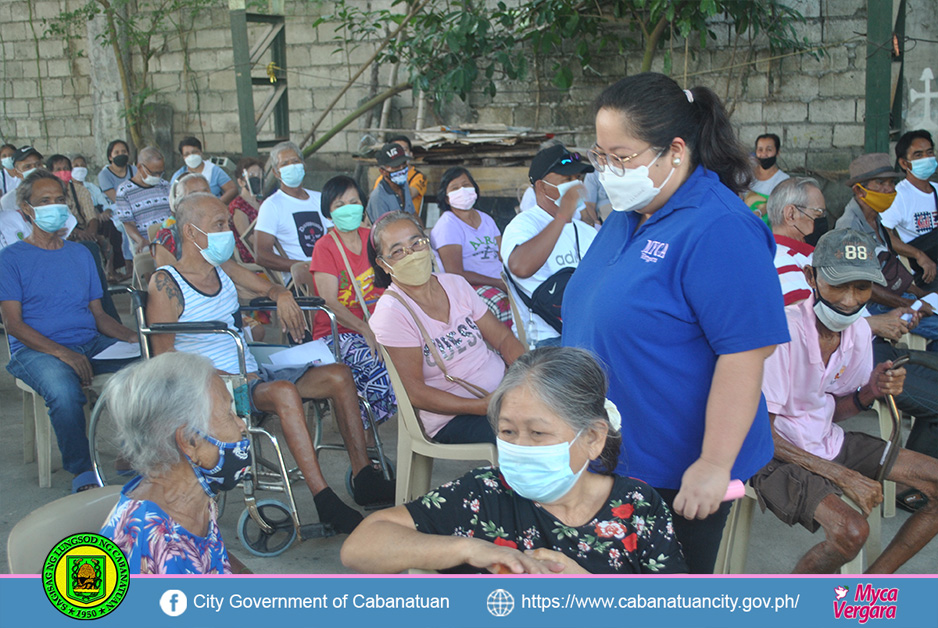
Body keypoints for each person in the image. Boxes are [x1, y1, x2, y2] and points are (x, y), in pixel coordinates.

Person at [563, 73, 790, 573]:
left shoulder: (720, 228)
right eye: (600, 156)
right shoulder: (630, 211)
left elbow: (745, 353)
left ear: (675, 151)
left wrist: (712, 465)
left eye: (622, 157)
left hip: (674, 468)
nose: (608, 171)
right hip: (603, 451)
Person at [147, 193, 392, 532]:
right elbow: (164, 357)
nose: (227, 233)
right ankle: (324, 500)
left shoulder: (223, 268)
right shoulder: (166, 283)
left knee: (338, 374)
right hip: (212, 386)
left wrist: (282, 296)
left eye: (227, 225)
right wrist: (221, 374)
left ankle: (364, 475)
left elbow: (265, 288)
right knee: (283, 392)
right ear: (191, 232)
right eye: (219, 225)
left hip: (249, 372)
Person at [341, 347, 687, 574]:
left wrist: (588, 592)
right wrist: (469, 549)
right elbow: (361, 546)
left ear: (593, 437)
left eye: (537, 434)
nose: (520, 447)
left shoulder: (637, 507)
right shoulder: (483, 494)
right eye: (507, 432)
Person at [755, 229, 938, 573]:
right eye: (838, 284)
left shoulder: (857, 332)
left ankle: (869, 587)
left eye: (862, 287)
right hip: (772, 456)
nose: (851, 300)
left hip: (825, 442)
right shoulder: (785, 331)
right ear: (811, 277)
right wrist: (842, 476)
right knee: (851, 531)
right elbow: (760, 434)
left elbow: (831, 409)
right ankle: (793, 608)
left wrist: (871, 391)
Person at [0, 171, 139, 493]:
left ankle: (130, 454)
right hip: (34, 350)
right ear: (25, 209)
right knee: (64, 392)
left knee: (148, 369)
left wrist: (133, 337)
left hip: (90, 342)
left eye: (59, 200)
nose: (55, 207)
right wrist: (64, 353)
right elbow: (13, 324)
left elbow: (99, 315)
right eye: (44, 201)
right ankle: (82, 470)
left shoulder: (80, 254)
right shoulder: (10, 260)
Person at [368, 212, 525, 444]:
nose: (411, 254)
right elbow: (415, 392)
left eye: (416, 243)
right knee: (531, 432)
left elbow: (502, 338)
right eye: (398, 251)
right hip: (454, 418)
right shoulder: (392, 312)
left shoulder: (455, 284)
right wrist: (481, 406)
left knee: (565, 409)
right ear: (383, 264)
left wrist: (525, 378)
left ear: (427, 242)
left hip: (503, 393)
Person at [99, 353, 251, 574]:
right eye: (229, 413)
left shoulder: (197, 497)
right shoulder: (149, 541)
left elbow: (212, 554)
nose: (241, 425)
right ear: (190, 440)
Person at [309, 176, 396, 426]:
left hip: (379, 327)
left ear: (362, 205)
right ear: (328, 212)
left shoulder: (375, 238)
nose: (348, 208)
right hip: (338, 333)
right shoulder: (324, 247)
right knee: (377, 364)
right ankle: (364, 438)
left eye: (353, 201)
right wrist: (365, 330)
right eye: (339, 205)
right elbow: (329, 300)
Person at [836, 153, 937, 347]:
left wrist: (919, 293)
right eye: (881, 183)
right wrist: (907, 304)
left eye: (891, 182)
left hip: (895, 298)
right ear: (859, 191)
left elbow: (889, 269)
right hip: (873, 309)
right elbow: (861, 286)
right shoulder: (850, 228)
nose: (889, 189)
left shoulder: (876, 220)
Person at [501, 144, 597, 348]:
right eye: (567, 180)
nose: (576, 185)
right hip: (545, 339)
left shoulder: (587, 231)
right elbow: (520, 266)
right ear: (542, 187)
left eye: (577, 178)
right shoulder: (524, 225)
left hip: (586, 329)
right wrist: (562, 215)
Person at [430, 166, 512, 329]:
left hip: (500, 280)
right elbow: (456, 273)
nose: (463, 190)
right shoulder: (448, 224)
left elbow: (504, 255)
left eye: (466, 185)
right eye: (455, 188)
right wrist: (498, 283)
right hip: (469, 287)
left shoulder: (486, 219)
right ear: (447, 198)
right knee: (501, 304)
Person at [254, 141, 331, 284]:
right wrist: (302, 266)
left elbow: (335, 235)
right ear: (276, 173)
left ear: (303, 165)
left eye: (295, 161)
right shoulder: (272, 205)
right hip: (301, 280)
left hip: (330, 270)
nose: (291, 167)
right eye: (285, 164)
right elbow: (261, 255)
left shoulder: (320, 198)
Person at [880, 130, 938, 291]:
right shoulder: (899, 196)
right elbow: (884, 234)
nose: (926, 158)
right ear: (904, 163)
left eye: (930, 152)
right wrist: (919, 255)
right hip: (926, 274)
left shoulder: (936, 190)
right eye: (918, 155)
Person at [0, 147, 79, 250]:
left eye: (37, 165)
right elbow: (12, 231)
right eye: (27, 167)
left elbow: (67, 221)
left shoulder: (53, 190)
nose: (34, 169)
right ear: (16, 172)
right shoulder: (8, 201)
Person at [72, 154, 125, 281]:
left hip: (98, 218)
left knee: (111, 227)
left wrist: (104, 213)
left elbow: (105, 204)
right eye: (76, 166)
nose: (80, 168)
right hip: (81, 222)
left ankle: (111, 268)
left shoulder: (91, 187)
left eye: (83, 165)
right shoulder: (69, 189)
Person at [113, 146, 172, 255]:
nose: (158, 176)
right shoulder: (125, 191)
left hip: (170, 236)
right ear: (140, 167)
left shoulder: (165, 185)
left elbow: (174, 213)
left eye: (161, 173)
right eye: (154, 173)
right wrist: (140, 240)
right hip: (145, 239)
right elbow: (128, 223)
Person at [152, 172, 211, 266]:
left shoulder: (218, 226)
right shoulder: (168, 236)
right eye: (193, 194)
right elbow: (168, 275)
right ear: (179, 202)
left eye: (205, 192)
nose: (202, 198)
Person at [371, 134, 428, 219]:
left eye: (403, 150)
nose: (399, 155)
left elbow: (410, 194)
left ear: (411, 154)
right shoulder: (382, 181)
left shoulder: (418, 176)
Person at [169, 136, 237, 205]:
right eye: (187, 154)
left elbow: (232, 189)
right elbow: (172, 199)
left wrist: (217, 204)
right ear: (183, 157)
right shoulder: (179, 175)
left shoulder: (213, 170)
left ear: (201, 152)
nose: (191, 156)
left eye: (194, 152)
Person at [46, 154, 98, 243]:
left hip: (83, 230)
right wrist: (77, 233)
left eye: (66, 169)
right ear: (50, 173)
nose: (63, 172)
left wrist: (90, 235)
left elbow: (92, 218)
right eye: (58, 170)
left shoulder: (81, 190)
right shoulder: (45, 194)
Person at [744, 133, 790, 225]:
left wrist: (759, 212)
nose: (764, 154)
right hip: (746, 224)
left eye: (769, 150)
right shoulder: (746, 175)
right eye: (760, 150)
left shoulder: (783, 180)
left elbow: (778, 206)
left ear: (777, 152)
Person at [366, 142, 418, 224]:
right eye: (396, 166)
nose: (402, 169)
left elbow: (413, 214)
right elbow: (384, 232)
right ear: (383, 171)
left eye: (404, 164)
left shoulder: (404, 185)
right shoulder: (378, 198)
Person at [229, 157, 264, 264]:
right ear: (240, 182)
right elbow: (247, 237)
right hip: (253, 254)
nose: (257, 178)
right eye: (252, 175)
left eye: (259, 174)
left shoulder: (261, 202)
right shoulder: (238, 206)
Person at [97, 139, 136, 204]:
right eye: (117, 152)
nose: (121, 154)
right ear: (110, 157)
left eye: (124, 152)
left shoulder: (135, 170)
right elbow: (116, 199)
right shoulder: (104, 175)